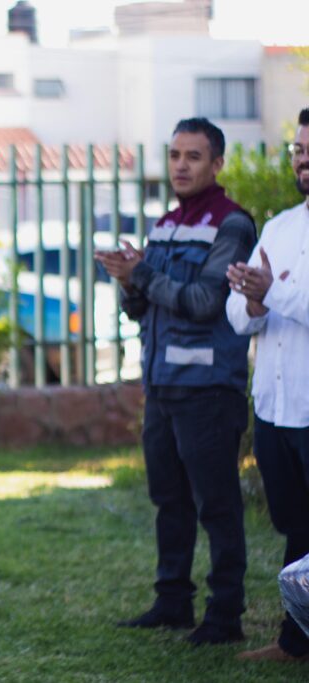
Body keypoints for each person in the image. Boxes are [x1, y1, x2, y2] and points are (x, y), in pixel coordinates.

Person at [95, 117, 256, 645]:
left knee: (217, 505)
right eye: (174, 156)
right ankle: (172, 603)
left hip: (209, 390)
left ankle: (225, 615)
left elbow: (207, 302)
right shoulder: (163, 224)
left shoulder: (232, 225)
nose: (181, 166)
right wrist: (127, 282)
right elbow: (144, 310)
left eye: (193, 156)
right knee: (169, 499)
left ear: (217, 164)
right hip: (162, 387)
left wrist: (141, 274)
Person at [226, 107, 309, 663]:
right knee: (294, 527)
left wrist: (271, 294)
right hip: (276, 409)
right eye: (299, 149)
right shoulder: (279, 226)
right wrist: (254, 298)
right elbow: (238, 316)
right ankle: (296, 640)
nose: (303, 159)